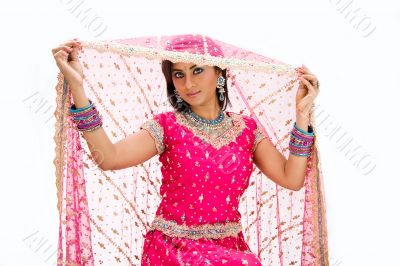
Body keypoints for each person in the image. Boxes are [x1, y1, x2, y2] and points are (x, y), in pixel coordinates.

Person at [52, 34, 323, 265]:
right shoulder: (168, 126)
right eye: (179, 74)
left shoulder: (246, 130)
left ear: (220, 72)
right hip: (173, 249)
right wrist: (77, 85)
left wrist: (301, 115)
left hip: (231, 249)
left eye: (197, 70)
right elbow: (109, 158)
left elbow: (292, 178)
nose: (188, 84)